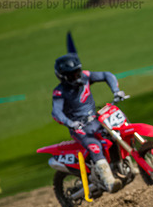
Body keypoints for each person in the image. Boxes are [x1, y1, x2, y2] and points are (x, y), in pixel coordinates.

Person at [51, 53, 127, 193]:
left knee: (116, 133)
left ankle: (120, 166)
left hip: (96, 120)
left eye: (77, 72)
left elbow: (106, 75)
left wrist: (116, 91)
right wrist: (70, 123)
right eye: (72, 75)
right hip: (79, 128)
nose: (77, 77)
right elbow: (56, 112)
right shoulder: (59, 92)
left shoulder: (86, 76)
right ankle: (109, 182)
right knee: (95, 147)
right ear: (63, 77)